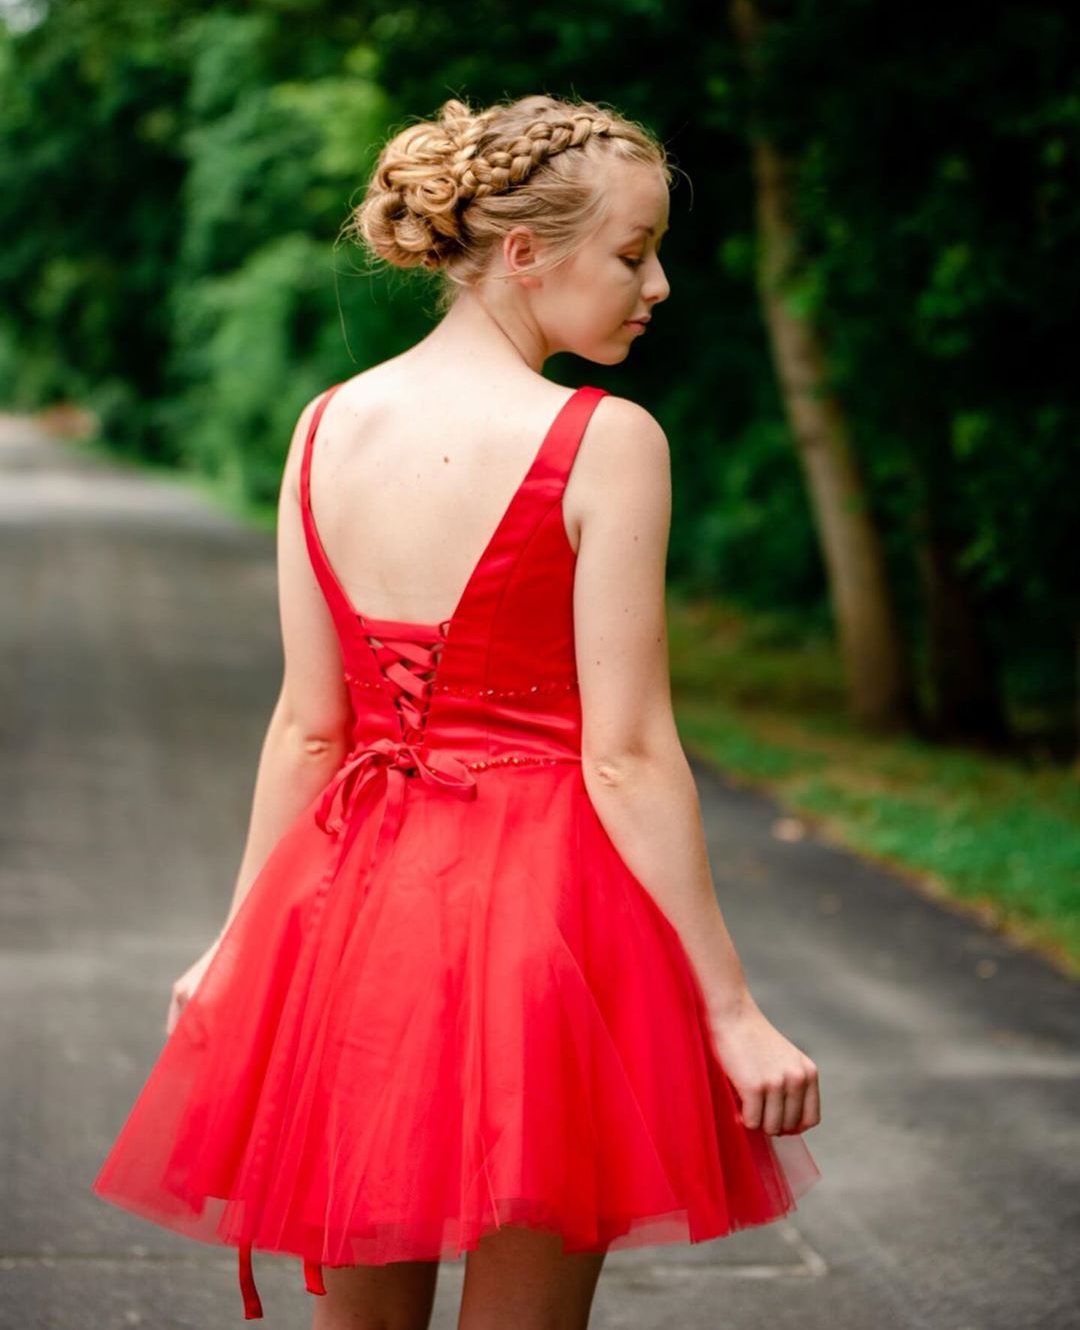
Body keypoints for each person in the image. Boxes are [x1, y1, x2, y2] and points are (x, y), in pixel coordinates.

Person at [92, 93, 821, 1330]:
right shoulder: (605, 440)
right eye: (634, 253)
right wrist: (731, 1010)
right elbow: (630, 756)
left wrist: (237, 941)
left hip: (352, 912)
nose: (659, 286)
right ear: (525, 253)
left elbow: (311, 729)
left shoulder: (325, 426)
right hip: (547, 928)